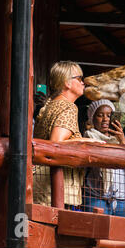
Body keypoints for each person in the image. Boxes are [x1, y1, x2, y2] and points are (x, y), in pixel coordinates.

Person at [33, 61, 86, 208]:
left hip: (39, 184)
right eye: (80, 78)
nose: (83, 82)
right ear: (67, 83)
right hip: (55, 190)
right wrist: (87, 141)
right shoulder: (69, 107)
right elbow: (56, 143)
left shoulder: (49, 105)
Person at [83, 100, 125, 217]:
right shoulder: (89, 137)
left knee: (123, 234)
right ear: (92, 118)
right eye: (100, 115)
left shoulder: (122, 140)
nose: (105, 119)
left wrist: (121, 139)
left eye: (109, 116)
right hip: (96, 198)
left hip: (122, 200)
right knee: (97, 234)